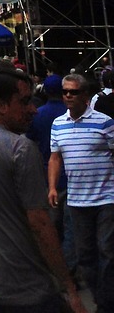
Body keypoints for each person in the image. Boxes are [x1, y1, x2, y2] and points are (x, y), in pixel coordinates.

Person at [0, 69, 86, 313]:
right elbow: (40, 223)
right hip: (25, 292)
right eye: (24, 102)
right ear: (0, 105)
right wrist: (68, 287)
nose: (32, 109)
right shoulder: (20, 149)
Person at [48, 71, 114, 313]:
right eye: (65, 91)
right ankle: (103, 298)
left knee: (107, 251)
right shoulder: (58, 124)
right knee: (85, 256)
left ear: (85, 96)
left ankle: (106, 304)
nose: (68, 96)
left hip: (107, 196)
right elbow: (55, 158)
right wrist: (53, 187)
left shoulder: (104, 122)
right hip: (76, 200)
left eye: (73, 92)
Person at [27, 75, 76, 267]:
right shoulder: (71, 111)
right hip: (71, 177)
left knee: (53, 226)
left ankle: (57, 266)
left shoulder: (37, 114)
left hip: (49, 179)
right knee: (70, 227)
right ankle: (70, 267)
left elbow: (30, 142)